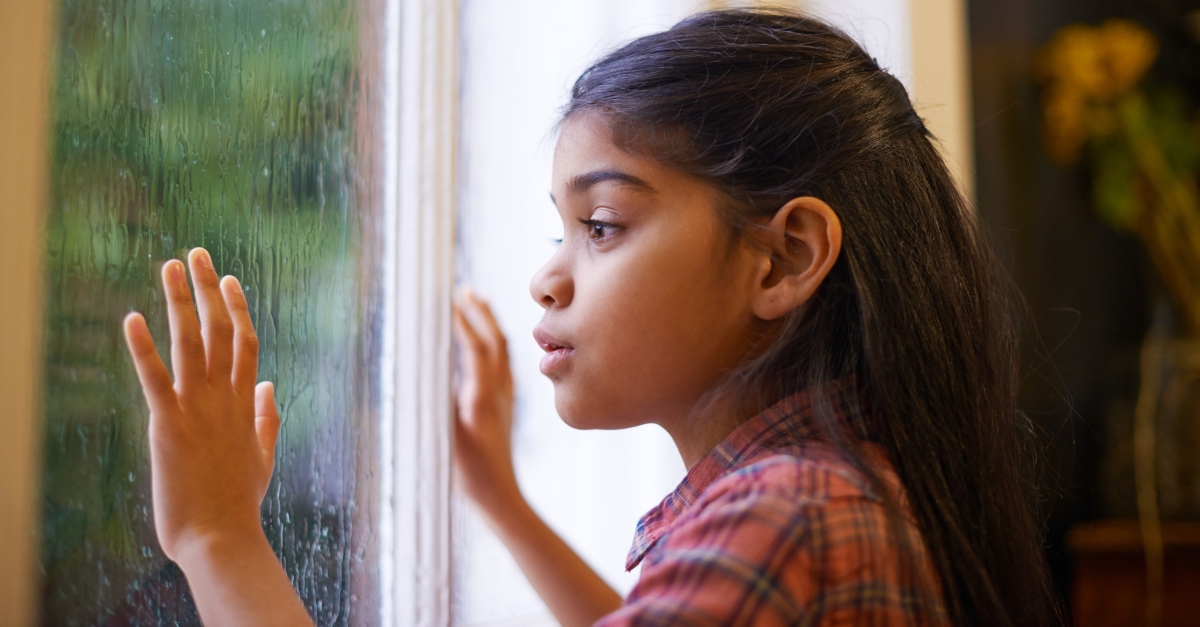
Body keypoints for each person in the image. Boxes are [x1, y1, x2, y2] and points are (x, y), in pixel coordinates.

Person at [122, 9, 1063, 626]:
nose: (547, 277)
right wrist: (500, 498)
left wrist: (218, 535)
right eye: (560, 229)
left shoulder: (789, 517)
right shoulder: (845, 490)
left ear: (783, 257)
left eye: (602, 225)